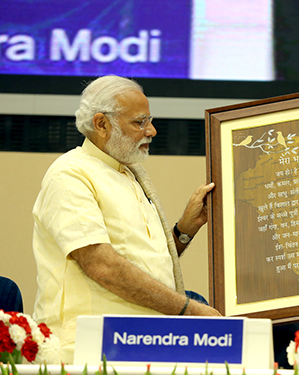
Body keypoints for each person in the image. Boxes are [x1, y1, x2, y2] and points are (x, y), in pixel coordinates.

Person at [32, 75, 221, 363]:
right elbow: (103, 265)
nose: (152, 131)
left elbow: (145, 263)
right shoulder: (70, 175)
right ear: (101, 124)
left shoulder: (129, 174)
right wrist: (189, 310)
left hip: (141, 344)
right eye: (140, 122)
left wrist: (185, 229)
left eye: (150, 120)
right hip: (88, 352)